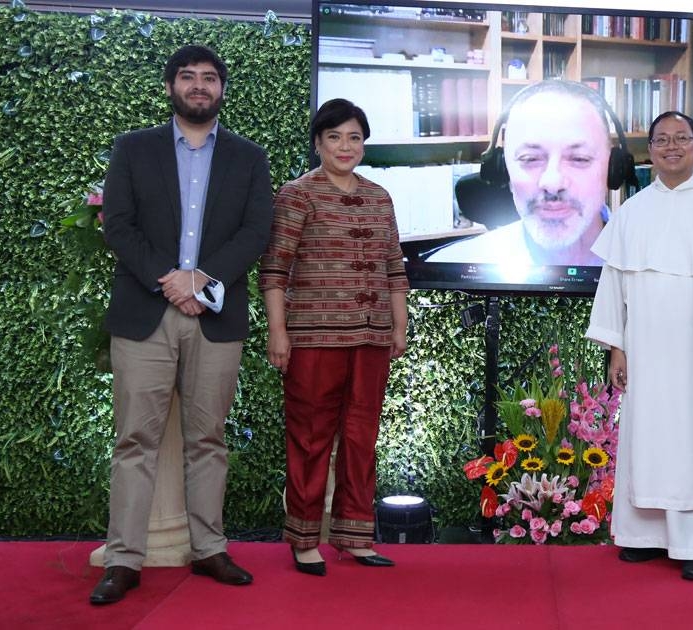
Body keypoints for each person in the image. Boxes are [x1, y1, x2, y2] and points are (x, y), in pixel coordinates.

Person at [90, 45, 272, 605]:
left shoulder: (249, 158)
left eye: (210, 78)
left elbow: (255, 230)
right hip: (146, 312)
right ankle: (124, 558)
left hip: (215, 317)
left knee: (208, 440)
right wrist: (170, 278)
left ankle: (209, 548)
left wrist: (202, 280)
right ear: (171, 85)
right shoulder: (133, 148)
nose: (199, 86)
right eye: (189, 77)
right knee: (135, 440)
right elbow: (117, 225)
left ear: (222, 89)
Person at [585, 111, 693, 582]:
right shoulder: (632, 210)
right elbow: (614, 283)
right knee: (644, 438)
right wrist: (616, 347)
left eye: (682, 139)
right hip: (645, 346)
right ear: (650, 151)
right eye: (662, 140)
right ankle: (642, 536)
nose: (672, 147)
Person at [259, 98, 410, 577]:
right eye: (335, 137)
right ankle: (305, 539)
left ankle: (355, 537)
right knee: (310, 437)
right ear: (319, 142)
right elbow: (275, 269)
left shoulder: (380, 197)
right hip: (313, 337)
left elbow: (393, 268)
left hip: (371, 337)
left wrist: (399, 323)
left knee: (362, 436)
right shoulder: (297, 194)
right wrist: (278, 332)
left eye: (354, 138)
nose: (345, 147)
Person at [427, 80, 621, 266]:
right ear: (503, 171)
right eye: (530, 159)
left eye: (579, 159)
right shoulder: (449, 271)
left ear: (613, 168)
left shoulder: (649, 266)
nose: (552, 183)